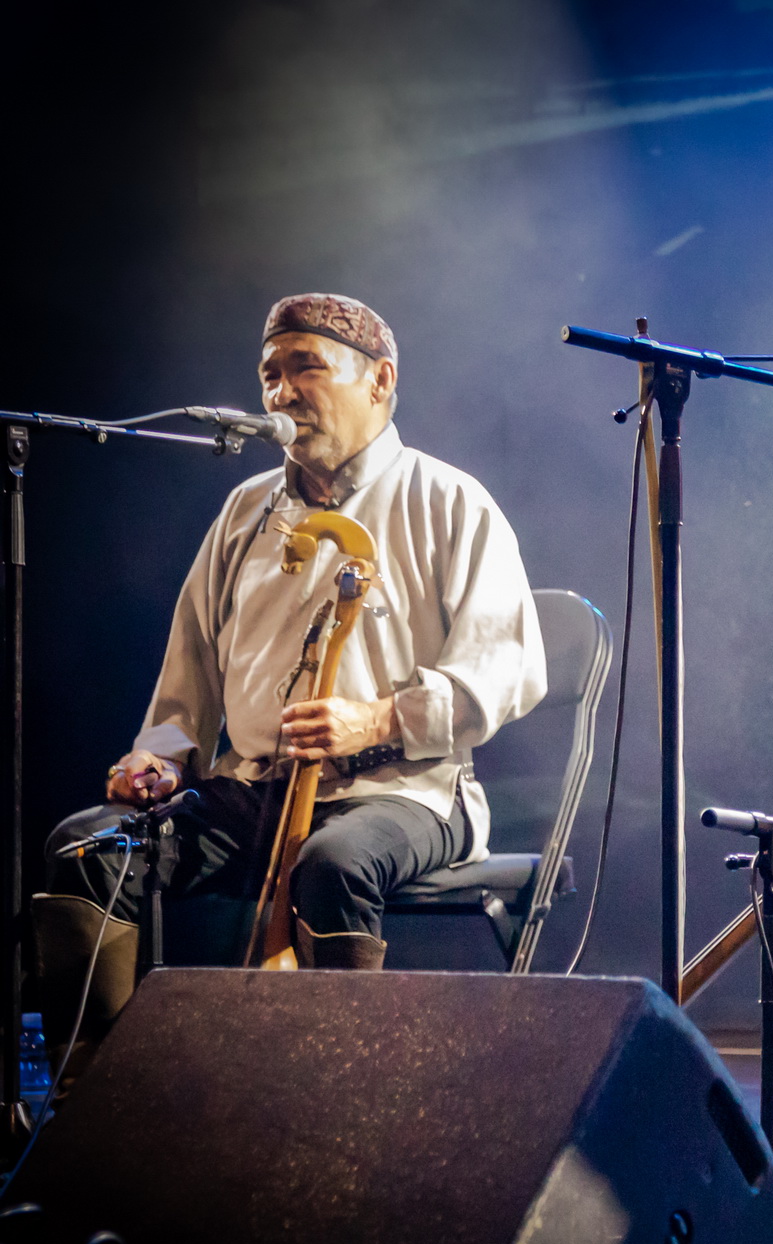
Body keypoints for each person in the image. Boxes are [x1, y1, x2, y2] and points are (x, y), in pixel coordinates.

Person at [34, 293, 545, 1055]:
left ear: (380, 380)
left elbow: (507, 670)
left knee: (332, 862)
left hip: (405, 788)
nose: (280, 392)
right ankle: (92, 1091)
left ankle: (332, 1095)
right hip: (254, 791)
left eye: (306, 367)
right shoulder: (246, 511)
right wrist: (160, 757)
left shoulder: (449, 501)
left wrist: (377, 718)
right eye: (270, 374)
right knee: (87, 848)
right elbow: (189, 674)